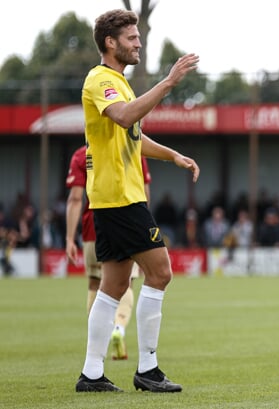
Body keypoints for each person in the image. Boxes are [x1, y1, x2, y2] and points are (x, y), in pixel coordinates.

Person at [75, 9, 200, 393]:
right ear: (110, 43)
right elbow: (125, 118)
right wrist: (169, 82)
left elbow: (133, 137)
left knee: (113, 285)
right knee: (160, 273)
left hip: (113, 199)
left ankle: (92, 374)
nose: (138, 43)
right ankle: (148, 368)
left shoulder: (119, 83)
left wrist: (173, 155)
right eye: (131, 38)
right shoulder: (101, 80)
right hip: (121, 199)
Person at [65, 144, 151, 361]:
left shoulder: (80, 156)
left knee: (95, 284)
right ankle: (119, 328)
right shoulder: (131, 147)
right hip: (124, 226)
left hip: (92, 229)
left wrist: (68, 237)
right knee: (127, 283)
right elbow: (143, 193)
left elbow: (75, 199)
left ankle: (97, 347)